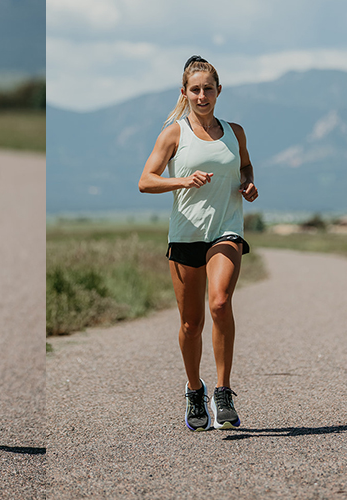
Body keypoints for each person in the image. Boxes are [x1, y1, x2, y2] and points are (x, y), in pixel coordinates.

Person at [138, 56, 258, 431]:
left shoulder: (235, 132)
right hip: (186, 233)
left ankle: (222, 391)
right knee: (191, 324)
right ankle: (195, 389)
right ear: (184, 93)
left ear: (219, 91)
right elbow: (146, 180)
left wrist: (249, 184)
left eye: (209, 89)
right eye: (195, 89)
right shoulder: (174, 133)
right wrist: (182, 181)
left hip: (226, 228)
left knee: (220, 303)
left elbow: (245, 166)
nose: (202, 95)